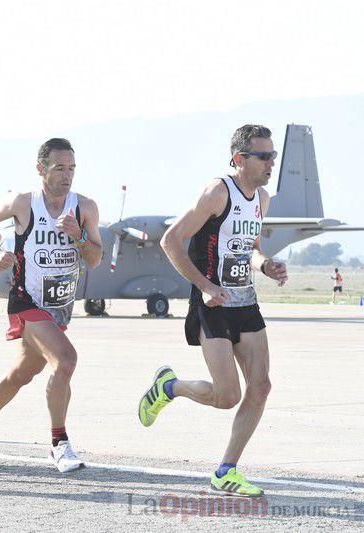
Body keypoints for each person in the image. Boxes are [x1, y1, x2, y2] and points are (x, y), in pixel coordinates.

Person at [138, 124, 289, 497]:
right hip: (212, 305)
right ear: (240, 159)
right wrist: (204, 287)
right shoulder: (216, 193)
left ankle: (226, 470)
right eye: (264, 155)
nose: (272, 161)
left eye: (273, 154)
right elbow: (171, 240)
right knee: (227, 396)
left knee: (262, 385)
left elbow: (247, 247)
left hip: (246, 301)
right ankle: (168, 387)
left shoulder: (262, 199)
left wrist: (265, 264)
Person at [0, 138, 103, 473]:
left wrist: (78, 236)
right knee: (66, 360)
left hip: (60, 306)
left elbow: (95, 259)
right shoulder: (23, 202)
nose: (66, 175)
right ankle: (59, 443)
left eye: (71, 168)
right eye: (59, 168)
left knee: (23, 373)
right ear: (40, 169)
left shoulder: (84, 207)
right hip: (27, 300)